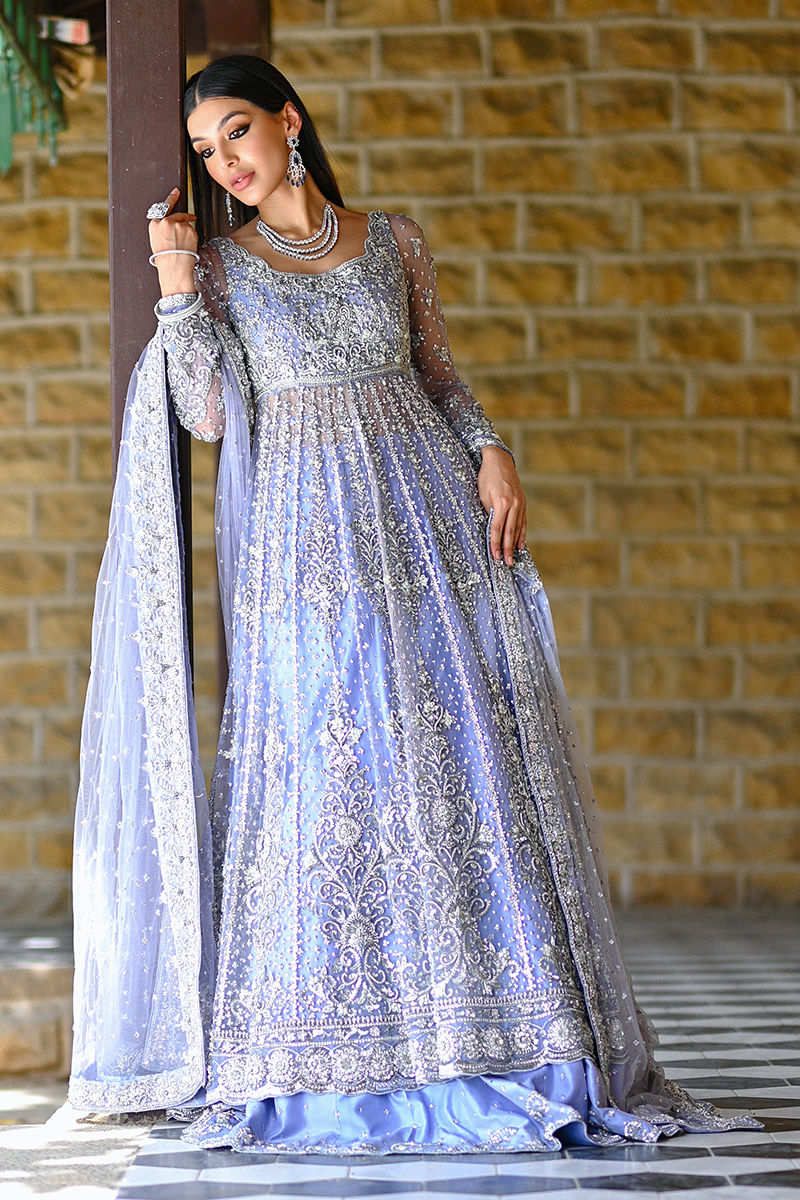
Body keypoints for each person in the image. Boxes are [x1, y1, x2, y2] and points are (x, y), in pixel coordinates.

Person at [67, 55, 761, 1155]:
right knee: (332, 771)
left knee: (454, 762)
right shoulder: (224, 270)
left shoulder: (393, 241)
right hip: (308, 550)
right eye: (205, 150)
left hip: (430, 531)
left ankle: (510, 1042)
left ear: (289, 121)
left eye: (237, 131)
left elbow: (439, 377)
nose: (225, 161)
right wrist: (175, 280)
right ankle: (334, 1059)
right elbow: (205, 414)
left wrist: (490, 448)